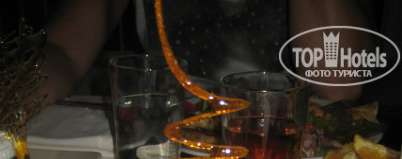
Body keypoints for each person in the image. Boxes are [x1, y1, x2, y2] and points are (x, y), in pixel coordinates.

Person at [40, 0, 378, 105]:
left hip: (281, 155)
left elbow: (339, 83)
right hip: (166, 145)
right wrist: (16, 99)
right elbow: (63, 50)